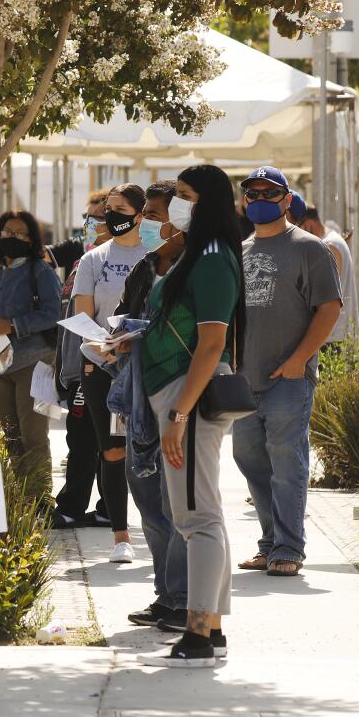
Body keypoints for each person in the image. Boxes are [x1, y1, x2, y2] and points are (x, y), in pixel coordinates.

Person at [136, 163, 245, 668]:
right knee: (204, 514)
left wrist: (180, 413)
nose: (175, 202)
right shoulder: (197, 255)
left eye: (183, 194)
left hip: (189, 398)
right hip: (179, 395)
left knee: (195, 517)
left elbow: (213, 341)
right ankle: (211, 629)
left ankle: (199, 634)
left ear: (207, 202)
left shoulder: (213, 258)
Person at [232, 167, 341, 578]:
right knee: (250, 459)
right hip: (243, 378)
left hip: (289, 378)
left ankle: (289, 547)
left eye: (268, 191)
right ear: (244, 201)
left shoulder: (309, 248)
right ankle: (270, 541)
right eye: (252, 192)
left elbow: (330, 308)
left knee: (286, 462)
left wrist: (300, 359)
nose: (259, 197)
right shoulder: (239, 251)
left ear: (286, 198)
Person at [114, 180, 191, 633]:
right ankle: (166, 595)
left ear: (178, 221)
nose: (146, 224)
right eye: (145, 215)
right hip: (136, 395)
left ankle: (185, 599)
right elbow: (125, 316)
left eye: (156, 216)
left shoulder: (195, 270)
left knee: (176, 501)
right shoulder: (144, 267)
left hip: (176, 395)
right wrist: (115, 339)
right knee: (147, 499)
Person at [70, 183, 150, 562]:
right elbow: (83, 313)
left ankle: (157, 526)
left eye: (120, 208)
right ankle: (121, 535)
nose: (112, 215)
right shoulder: (93, 259)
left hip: (147, 366)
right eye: (108, 208)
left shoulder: (156, 255)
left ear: (140, 212)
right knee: (113, 449)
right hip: (102, 365)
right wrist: (106, 343)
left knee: (149, 449)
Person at [50, 190, 112, 530]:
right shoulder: (82, 261)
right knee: (80, 437)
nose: (88, 225)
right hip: (74, 365)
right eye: (86, 218)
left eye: (96, 219)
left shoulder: (113, 262)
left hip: (99, 363)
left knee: (93, 441)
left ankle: (82, 506)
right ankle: (94, 506)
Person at [0, 209, 62, 507]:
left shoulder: (41, 271)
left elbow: (54, 312)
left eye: (20, 233)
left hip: (35, 362)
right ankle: (20, 502)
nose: (13, 237)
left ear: (32, 238)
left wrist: (14, 324)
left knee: (34, 435)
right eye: (8, 232)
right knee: (10, 436)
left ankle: (40, 500)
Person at [294, 202, 359, 362]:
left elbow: (324, 292)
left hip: (332, 336)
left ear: (307, 224)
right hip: (336, 333)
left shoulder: (328, 246)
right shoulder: (332, 239)